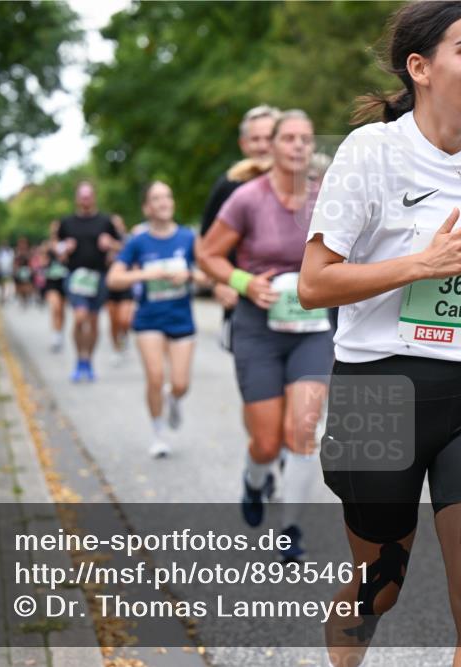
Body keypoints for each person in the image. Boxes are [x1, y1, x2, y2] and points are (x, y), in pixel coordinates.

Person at [298, 3, 461, 666]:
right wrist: (419, 265)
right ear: (420, 67)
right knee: (381, 586)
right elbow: (314, 283)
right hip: (379, 389)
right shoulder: (370, 153)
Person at [200, 110, 333, 562]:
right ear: (272, 146)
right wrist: (242, 283)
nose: (297, 145)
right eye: (289, 138)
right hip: (258, 328)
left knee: (303, 429)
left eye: (305, 138)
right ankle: (254, 480)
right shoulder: (247, 198)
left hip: (312, 329)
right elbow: (208, 254)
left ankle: (290, 528)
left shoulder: (326, 197)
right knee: (266, 442)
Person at [107, 181, 206, 458]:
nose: (163, 202)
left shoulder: (188, 238)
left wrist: (188, 275)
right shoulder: (138, 241)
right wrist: (145, 275)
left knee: (180, 384)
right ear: (147, 207)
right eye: (156, 198)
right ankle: (158, 435)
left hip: (181, 319)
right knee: (154, 377)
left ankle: (174, 399)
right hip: (149, 319)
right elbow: (113, 278)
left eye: (167, 197)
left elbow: (208, 275)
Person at [201, 105, 280, 350]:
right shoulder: (229, 186)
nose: (262, 145)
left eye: (268, 138)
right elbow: (205, 245)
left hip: (299, 304)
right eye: (255, 139)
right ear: (243, 144)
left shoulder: (307, 183)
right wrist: (219, 283)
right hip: (245, 300)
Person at [56, 181, 121, 382]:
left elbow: (122, 246)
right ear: (77, 198)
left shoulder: (105, 221)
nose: (85, 199)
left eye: (88, 195)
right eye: (81, 195)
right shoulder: (67, 223)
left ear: (93, 197)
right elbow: (55, 248)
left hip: (99, 276)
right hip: (76, 276)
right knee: (80, 316)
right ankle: (79, 358)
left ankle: (88, 361)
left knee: (93, 321)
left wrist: (110, 244)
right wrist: (63, 248)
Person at [105, 214, 134, 365]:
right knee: (113, 320)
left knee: (125, 319)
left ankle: (124, 338)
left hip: (126, 284)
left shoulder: (128, 240)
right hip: (110, 286)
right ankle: (116, 348)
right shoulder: (103, 241)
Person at [43, 223, 69, 353]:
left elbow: (68, 259)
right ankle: (55, 333)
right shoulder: (47, 246)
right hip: (52, 281)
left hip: (64, 280)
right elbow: (42, 262)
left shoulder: (66, 244)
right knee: (56, 307)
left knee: (62, 309)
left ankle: (60, 332)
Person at [13, 237, 34, 308]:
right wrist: (15, 269)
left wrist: (31, 269)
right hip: (19, 270)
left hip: (26, 270)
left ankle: (27, 298)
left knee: (27, 285)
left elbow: (30, 261)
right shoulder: (17, 251)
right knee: (20, 285)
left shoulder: (28, 251)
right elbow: (15, 262)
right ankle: (22, 299)